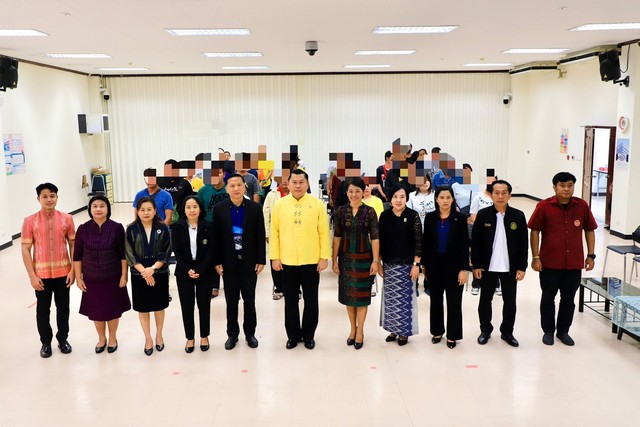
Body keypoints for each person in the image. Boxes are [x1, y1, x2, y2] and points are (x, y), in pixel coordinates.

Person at [528, 172, 597, 346]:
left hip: (573, 264)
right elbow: (535, 231)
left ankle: (563, 331)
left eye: (570, 185)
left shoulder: (581, 206)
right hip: (550, 263)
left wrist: (591, 255)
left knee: (568, 299)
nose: (566, 189)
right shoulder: (544, 206)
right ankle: (548, 331)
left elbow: (589, 230)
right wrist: (536, 257)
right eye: (562, 185)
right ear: (554, 187)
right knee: (548, 298)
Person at [270, 169, 331, 350]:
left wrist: (324, 257)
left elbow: (324, 232)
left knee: (311, 300)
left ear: (307, 184)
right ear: (288, 184)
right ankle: (293, 336)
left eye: (301, 182)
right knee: (290, 300)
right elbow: (274, 233)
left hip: (311, 260)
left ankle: (309, 335)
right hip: (287, 261)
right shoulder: (280, 205)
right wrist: (275, 257)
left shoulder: (317, 204)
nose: (297, 186)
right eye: (294, 182)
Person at [21, 183, 76, 358]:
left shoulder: (67, 219)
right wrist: (32, 275)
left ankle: (63, 339)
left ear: (57, 197)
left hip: (63, 273)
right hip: (41, 275)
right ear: (38, 199)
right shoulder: (30, 221)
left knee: (63, 308)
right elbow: (25, 249)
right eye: (44, 196)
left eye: (52, 195)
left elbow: (73, 245)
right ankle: (46, 343)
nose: (49, 199)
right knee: (43, 310)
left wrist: (73, 270)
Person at [471, 180, 528, 348]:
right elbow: (476, 242)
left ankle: (507, 332)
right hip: (487, 267)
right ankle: (485, 330)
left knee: (510, 302)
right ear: (491, 195)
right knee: (485, 301)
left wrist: (522, 267)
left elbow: (523, 244)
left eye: (504, 193)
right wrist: (476, 265)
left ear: (510, 195)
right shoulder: (483, 215)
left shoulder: (518, 216)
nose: (500, 196)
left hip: (510, 268)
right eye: (496, 193)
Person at [212, 174, 266, 350]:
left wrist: (261, 259)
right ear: (227, 188)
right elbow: (216, 238)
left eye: (239, 185)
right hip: (228, 262)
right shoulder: (219, 209)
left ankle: (250, 333)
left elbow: (260, 235)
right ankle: (232, 334)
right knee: (231, 300)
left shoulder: (255, 208)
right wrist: (217, 261)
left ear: (244, 187)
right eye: (232, 186)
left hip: (249, 262)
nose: (236, 189)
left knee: (249, 300)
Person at [74, 195, 130, 354]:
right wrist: (78, 277)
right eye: (95, 206)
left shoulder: (117, 228)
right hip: (91, 278)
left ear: (108, 209)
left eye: (102, 206)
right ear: (90, 209)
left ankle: (112, 337)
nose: (98, 209)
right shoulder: (83, 229)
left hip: (113, 276)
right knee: (96, 311)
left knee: (113, 309)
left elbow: (123, 254)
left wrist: (124, 275)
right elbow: (77, 256)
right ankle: (101, 338)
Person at [332, 177, 380, 350]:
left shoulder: (370, 211)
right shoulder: (340, 211)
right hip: (346, 258)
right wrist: (334, 259)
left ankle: (361, 331)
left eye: (357, 191)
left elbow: (375, 238)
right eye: (351, 191)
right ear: (346, 193)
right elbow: (337, 236)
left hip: (364, 258)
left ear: (363, 192)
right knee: (349, 297)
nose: (354, 195)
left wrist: (376, 260)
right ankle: (353, 329)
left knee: (361, 297)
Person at [423, 186, 470, 349]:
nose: (445, 201)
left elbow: (464, 244)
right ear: (436, 199)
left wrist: (464, 269)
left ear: (452, 199)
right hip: (434, 266)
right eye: (441, 197)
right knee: (435, 300)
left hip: (455, 267)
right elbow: (426, 243)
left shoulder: (460, 218)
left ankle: (453, 335)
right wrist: (424, 266)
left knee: (454, 302)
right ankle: (437, 332)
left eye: (448, 197)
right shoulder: (430, 218)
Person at [125, 197, 171, 356]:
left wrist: (152, 269)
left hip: (159, 272)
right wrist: (144, 272)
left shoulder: (162, 228)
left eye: (149, 209)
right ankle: (148, 338)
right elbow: (129, 253)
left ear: (155, 211)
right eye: (142, 210)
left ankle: (159, 335)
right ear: (137, 211)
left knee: (159, 306)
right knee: (143, 307)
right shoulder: (131, 229)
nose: (146, 212)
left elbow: (167, 251)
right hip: (139, 274)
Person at [378, 185, 422, 346]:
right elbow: (379, 240)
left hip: (407, 265)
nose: (398, 200)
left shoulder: (413, 215)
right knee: (391, 300)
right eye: (395, 197)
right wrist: (379, 262)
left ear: (406, 198)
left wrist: (416, 264)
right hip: (389, 265)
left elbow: (419, 242)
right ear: (390, 199)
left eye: (402, 197)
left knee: (405, 300)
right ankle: (393, 329)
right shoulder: (384, 216)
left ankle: (404, 332)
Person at [171, 195, 215, 353]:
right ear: (183, 210)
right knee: (187, 306)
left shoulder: (208, 226)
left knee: (204, 305)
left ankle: (204, 336)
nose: (192, 210)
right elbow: (176, 250)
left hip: (204, 271)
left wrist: (200, 269)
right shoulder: (177, 226)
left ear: (200, 208)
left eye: (195, 207)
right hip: (184, 272)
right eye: (188, 207)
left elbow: (211, 250)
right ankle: (190, 338)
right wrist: (187, 269)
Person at [197, 168, 230, 298]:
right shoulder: (203, 190)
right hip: (209, 229)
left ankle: (230, 286)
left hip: (228, 229)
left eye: (218, 173)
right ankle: (214, 286)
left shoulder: (229, 188)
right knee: (211, 257)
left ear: (223, 174)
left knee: (228, 257)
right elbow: (199, 210)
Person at [407, 174, 436, 296]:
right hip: (415, 233)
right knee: (415, 259)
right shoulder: (411, 196)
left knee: (430, 259)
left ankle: (428, 284)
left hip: (432, 232)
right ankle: (414, 284)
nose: (425, 183)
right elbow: (409, 213)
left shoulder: (435, 195)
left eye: (427, 180)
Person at [263, 176, 290, 300]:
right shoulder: (271, 194)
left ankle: (293, 288)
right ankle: (278, 287)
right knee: (276, 259)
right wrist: (267, 233)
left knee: (292, 262)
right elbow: (266, 215)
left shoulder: (296, 194)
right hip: (275, 233)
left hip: (292, 234)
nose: (284, 181)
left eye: (287, 178)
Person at [469, 183, 497, 296]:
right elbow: (473, 216)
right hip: (481, 232)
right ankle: (476, 284)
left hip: (495, 233)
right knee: (479, 258)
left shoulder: (497, 197)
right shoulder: (478, 198)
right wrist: (482, 229)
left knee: (495, 258)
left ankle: (496, 284)